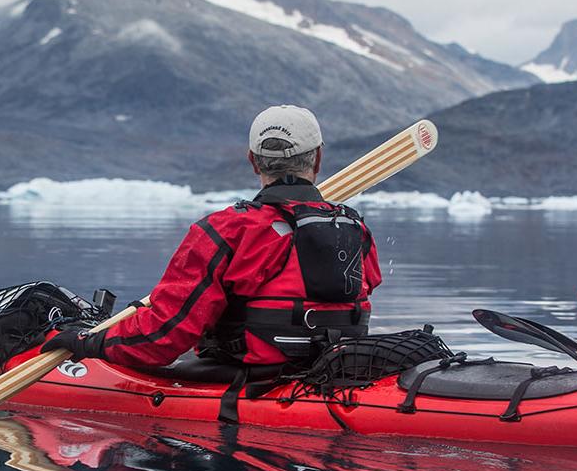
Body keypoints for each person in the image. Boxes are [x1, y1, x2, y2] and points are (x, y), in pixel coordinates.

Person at [43, 105, 381, 367]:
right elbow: (367, 285)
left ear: (252, 161)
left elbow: (163, 337)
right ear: (319, 159)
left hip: (249, 375)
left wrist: (88, 342)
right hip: (332, 366)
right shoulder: (355, 228)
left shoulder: (227, 230)